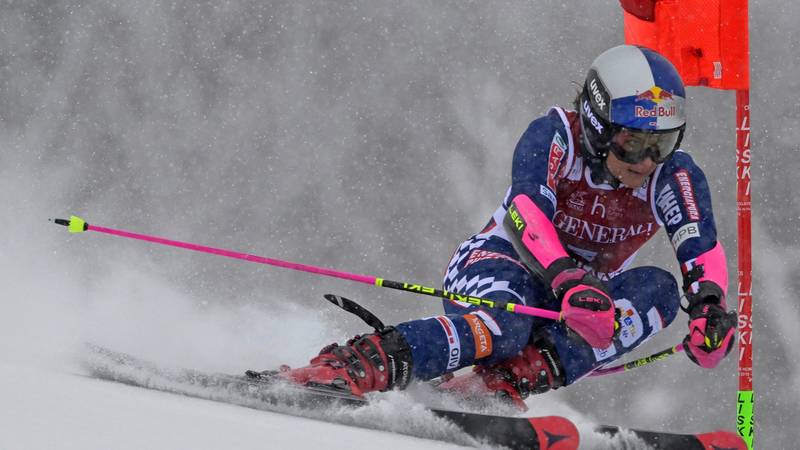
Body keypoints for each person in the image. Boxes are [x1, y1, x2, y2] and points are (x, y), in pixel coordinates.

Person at [279, 45, 737, 408]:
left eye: (662, 143)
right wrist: (568, 279)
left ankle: (502, 381)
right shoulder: (556, 136)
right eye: (633, 143)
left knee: (659, 291)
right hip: (498, 263)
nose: (648, 160)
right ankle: (356, 365)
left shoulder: (672, 175)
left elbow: (700, 246)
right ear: (598, 126)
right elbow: (526, 213)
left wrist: (709, 309)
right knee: (507, 324)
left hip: (578, 300)